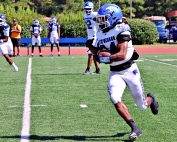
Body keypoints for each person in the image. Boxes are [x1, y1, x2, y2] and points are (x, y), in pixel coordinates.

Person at [89, 4, 159, 141]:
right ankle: (135, 128)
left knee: (143, 106)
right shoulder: (101, 33)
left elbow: (121, 55)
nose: (100, 22)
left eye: (103, 19)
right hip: (115, 72)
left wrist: (104, 57)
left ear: (113, 17)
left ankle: (151, 98)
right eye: (99, 19)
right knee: (115, 98)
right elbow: (94, 50)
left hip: (129, 70)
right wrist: (93, 48)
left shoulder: (122, 28)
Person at [83, 1, 101, 75]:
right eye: (86, 9)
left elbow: (101, 22)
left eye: (89, 8)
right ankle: (97, 69)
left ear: (92, 8)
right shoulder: (85, 15)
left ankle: (88, 69)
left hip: (95, 36)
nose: (87, 10)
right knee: (94, 54)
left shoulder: (95, 14)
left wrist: (97, 19)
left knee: (90, 53)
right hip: (90, 36)